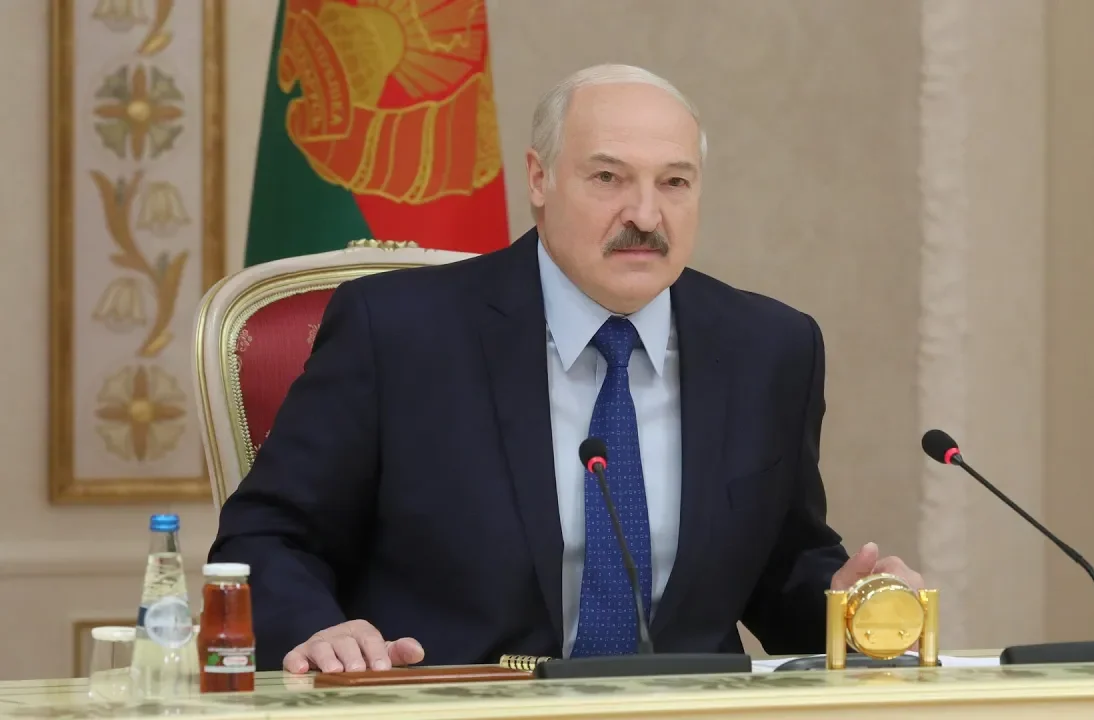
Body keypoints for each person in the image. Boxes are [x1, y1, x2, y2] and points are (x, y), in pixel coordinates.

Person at [209, 64, 924, 674]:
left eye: (675, 182)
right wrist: (320, 631)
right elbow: (266, 537)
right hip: (454, 711)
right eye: (609, 177)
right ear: (539, 179)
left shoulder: (769, 348)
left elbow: (780, 568)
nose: (646, 214)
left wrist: (854, 607)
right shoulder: (401, 333)